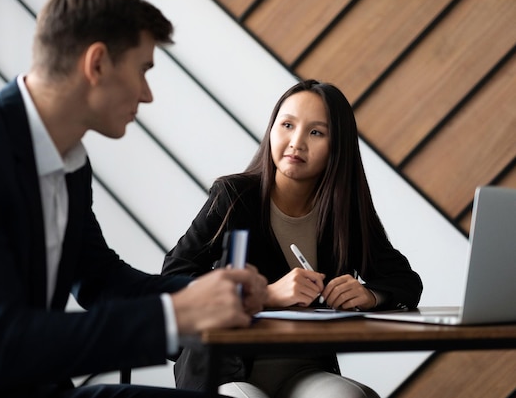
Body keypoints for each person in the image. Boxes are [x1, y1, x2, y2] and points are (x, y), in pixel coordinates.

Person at [0, 0, 268, 397]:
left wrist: (208, 294)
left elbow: (101, 282)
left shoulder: (69, 162)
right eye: (143, 69)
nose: (147, 94)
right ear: (98, 63)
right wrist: (174, 316)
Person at [162, 79, 423, 398]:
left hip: (304, 370)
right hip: (224, 370)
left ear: (337, 145)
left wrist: (371, 295)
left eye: (316, 132)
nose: (296, 142)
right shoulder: (234, 197)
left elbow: (405, 281)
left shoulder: (344, 214)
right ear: (272, 129)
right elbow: (174, 277)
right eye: (287, 125)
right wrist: (265, 296)